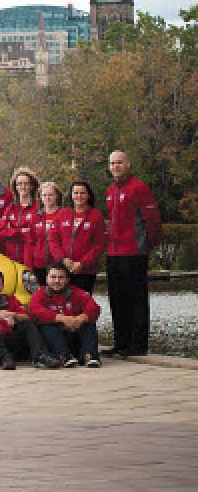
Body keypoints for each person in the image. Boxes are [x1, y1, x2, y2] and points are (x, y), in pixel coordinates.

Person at [103, 151, 161, 358]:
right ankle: (121, 342)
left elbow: (152, 221)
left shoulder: (139, 188)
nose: (116, 166)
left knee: (136, 300)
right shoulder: (110, 190)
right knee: (117, 299)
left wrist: (145, 247)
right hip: (113, 253)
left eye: (119, 162)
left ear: (128, 164)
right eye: (112, 163)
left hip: (134, 253)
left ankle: (138, 345)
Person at [30, 263, 102, 368]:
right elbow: (36, 311)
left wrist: (79, 319)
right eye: (53, 277)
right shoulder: (38, 294)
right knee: (46, 326)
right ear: (46, 279)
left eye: (61, 277)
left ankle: (90, 356)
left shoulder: (78, 293)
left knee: (88, 322)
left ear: (67, 280)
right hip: (53, 341)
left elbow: (94, 308)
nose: (57, 281)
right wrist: (62, 319)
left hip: (73, 334)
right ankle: (63, 356)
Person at [47, 180, 107, 294]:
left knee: (82, 305)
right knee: (63, 304)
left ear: (88, 195)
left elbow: (99, 244)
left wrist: (82, 263)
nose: (79, 196)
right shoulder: (62, 214)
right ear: (71, 195)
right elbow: (53, 240)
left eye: (82, 193)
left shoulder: (96, 216)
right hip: (63, 270)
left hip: (86, 271)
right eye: (76, 193)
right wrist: (63, 259)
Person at [24, 181, 65, 287]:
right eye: (44, 195)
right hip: (39, 264)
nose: (47, 198)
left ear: (57, 196)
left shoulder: (65, 215)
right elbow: (30, 242)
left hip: (59, 264)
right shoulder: (36, 216)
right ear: (40, 197)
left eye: (50, 195)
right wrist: (28, 265)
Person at [0, 167, 40, 264]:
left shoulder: (38, 208)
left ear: (32, 186)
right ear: (15, 187)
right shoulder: (10, 207)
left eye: (26, 183)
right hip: (11, 258)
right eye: (19, 184)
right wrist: (20, 231)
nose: (23, 186)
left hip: (32, 259)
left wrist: (11, 231)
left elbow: (35, 234)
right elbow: (2, 231)